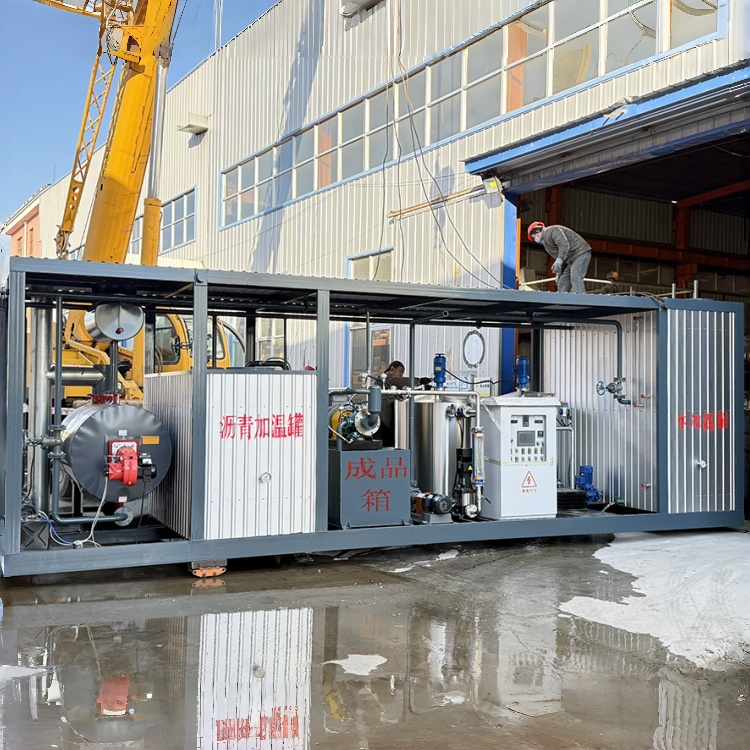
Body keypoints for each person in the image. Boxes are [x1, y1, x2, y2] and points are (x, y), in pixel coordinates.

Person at [527, 221, 592, 294]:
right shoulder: (546, 243)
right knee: (562, 282)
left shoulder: (553, 231)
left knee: (575, 277)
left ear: (537, 232)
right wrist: (559, 273)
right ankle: (562, 299)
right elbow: (561, 257)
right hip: (570, 259)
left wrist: (558, 262)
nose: (535, 240)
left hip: (580, 253)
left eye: (534, 237)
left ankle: (581, 299)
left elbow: (564, 246)